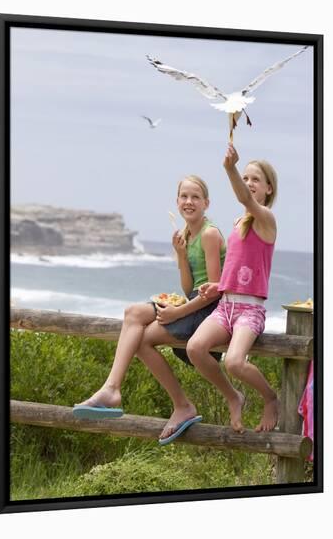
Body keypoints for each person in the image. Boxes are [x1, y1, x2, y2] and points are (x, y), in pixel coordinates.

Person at [73, 175, 226, 444]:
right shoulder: (186, 235)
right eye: (183, 197)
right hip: (190, 302)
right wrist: (180, 255)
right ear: (177, 201)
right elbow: (189, 285)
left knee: (142, 341)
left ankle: (182, 405)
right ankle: (111, 388)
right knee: (133, 312)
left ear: (206, 203)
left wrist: (177, 313)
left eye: (195, 197)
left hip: (209, 311)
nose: (188, 202)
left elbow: (213, 291)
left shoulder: (210, 234)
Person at [186, 143, 279, 434]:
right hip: (226, 304)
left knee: (235, 362)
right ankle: (233, 396)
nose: (249, 183)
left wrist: (230, 168)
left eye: (255, 179)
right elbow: (237, 268)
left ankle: (270, 398)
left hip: (250, 310)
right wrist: (218, 285)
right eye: (246, 177)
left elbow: (244, 198)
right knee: (195, 348)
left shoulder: (265, 219)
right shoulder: (239, 221)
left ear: (268, 189)